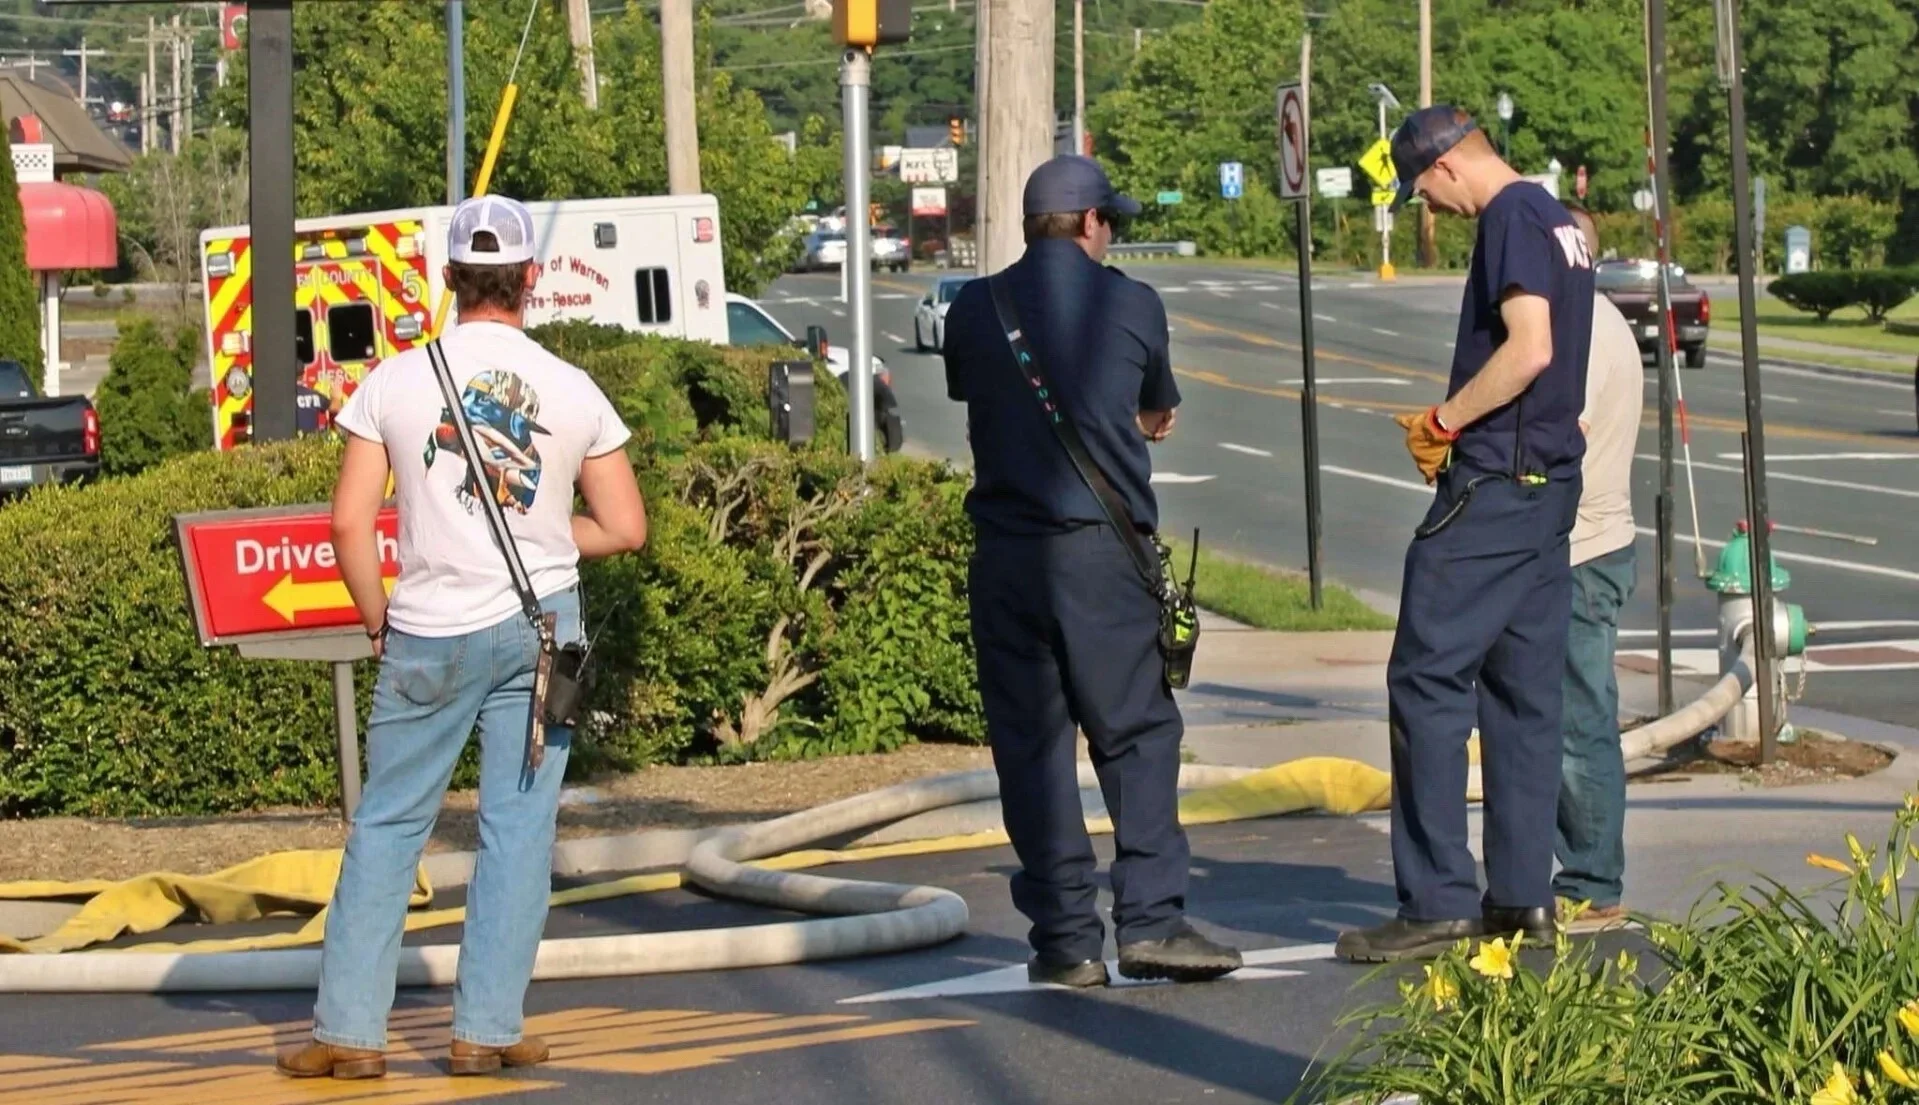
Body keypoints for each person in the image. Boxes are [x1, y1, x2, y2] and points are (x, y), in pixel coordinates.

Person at [279, 195, 648, 1080]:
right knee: (517, 828)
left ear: (448, 277)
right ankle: (485, 1027)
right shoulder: (573, 388)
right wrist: (548, 534)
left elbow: (348, 522)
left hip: (426, 629)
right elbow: (625, 526)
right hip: (540, 626)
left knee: (389, 824)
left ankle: (349, 1033)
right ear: (531, 279)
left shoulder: (393, 383)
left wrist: (377, 615)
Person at [941, 155, 1242, 987]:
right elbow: (1151, 408)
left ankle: (1065, 940)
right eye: (1110, 221)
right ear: (1089, 223)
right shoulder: (1131, 303)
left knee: (1032, 746)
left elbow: (979, 394)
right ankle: (1150, 921)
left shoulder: (973, 307)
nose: (1111, 234)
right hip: (1100, 551)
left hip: (1006, 555)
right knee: (1136, 732)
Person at [1334, 107, 1595, 963]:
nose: (1428, 207)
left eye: (1422, 190)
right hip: (1549, 485)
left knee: (1425, 679)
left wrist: (1445, 420)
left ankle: (1437, 900)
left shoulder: (1510, 216)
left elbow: (1529, 349)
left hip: (1490, 483)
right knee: (1523, 694)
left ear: (1446, 166)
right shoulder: (1558, 219)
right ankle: (1521, 896)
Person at [1554, 202, 1642, 929]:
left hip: (1582, 549)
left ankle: (1590, 880)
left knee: (1577, 721)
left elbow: (1559, 434)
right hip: (1589, 544)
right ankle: (1577, 871)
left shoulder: (1581, 329)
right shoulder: (1594, 318)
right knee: (1563, 715)